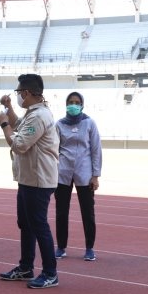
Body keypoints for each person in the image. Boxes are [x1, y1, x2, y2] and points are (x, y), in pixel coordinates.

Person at [0, 74, 60, 289]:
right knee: (26, 224)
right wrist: (9, 110)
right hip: (28, 178)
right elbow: (19, 124)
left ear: (26, 93)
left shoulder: (39, 116)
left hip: (39, 180)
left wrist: (4, 124)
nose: (18, 97)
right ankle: (25, 267)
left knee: (38, 225)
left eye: (19, 94)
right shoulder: (33, 113)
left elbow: (19, 144)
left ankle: (50, 273)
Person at [54, 92, 102, 261]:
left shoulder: (89, 123)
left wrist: (96, 175)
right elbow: (54, 149)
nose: (73, 105)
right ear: (66, 104)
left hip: (85, 173)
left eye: (77, 102)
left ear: (82, 105)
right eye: (70, 102)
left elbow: (96, 150)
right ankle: (61, 247)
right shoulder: (59, 124)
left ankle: (89, 248)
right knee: (61, 212)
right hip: (63, 173)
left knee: (88, 212)